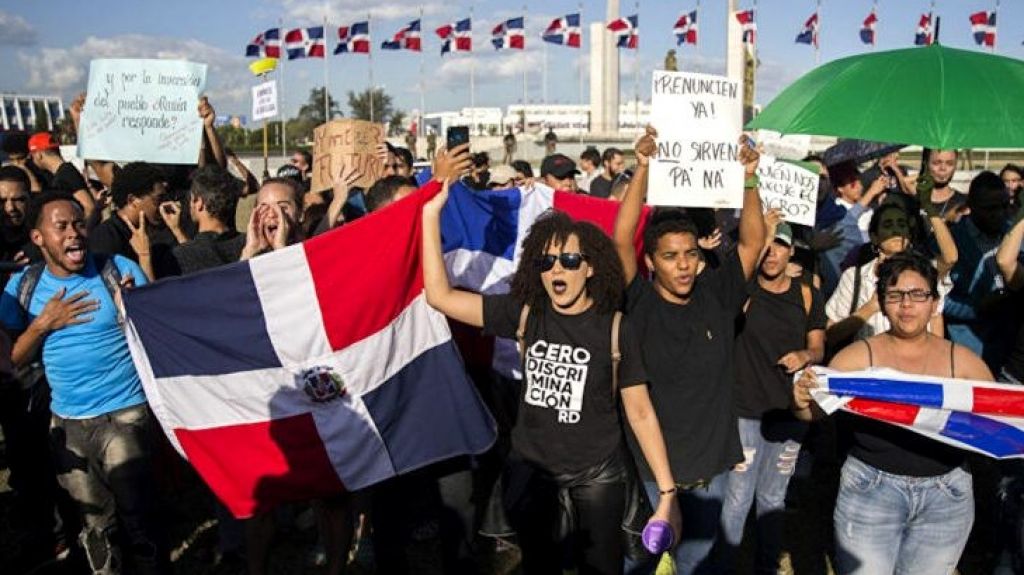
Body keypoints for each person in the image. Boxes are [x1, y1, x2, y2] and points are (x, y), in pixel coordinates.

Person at [422, 178, 680, 574]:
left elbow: (640, 411)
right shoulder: (525, 313)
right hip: (533, 472)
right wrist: (429, 215)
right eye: (547, 261)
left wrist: (667, 493)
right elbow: (440, 297)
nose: (557, 268)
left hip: (598, 474)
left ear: (591, 267)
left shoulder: (615, 327)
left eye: (570, 260)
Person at [616, 127, 766, 574]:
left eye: (689, 254)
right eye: (669, 256)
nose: (682, 264)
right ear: (650, 262)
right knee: (642, 562)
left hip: (707, 470)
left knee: (696, 560)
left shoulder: (717, 296)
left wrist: (750, 178)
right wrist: (643, 167)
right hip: (648, 469)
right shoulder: (638, 302)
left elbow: (753, 243)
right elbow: (621, 239)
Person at [794, 252, 994, 575]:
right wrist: (801, 400)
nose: (906, 304)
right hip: (870, 491)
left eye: (918, 294)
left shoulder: (965, 362)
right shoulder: (856, 359)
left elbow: (999, 419)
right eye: (895, 295)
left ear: (934, 302)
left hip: (946, 499)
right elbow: (813, 413)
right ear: (882, 303)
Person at [0, 191, 167, 574]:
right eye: (61, 227)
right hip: (68, 423)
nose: (74, 233)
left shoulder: (118, 270)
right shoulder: (22, 287)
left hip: (125, 415)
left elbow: (159, 333)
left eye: (79, 224)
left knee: (140, 519)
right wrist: (43, 323)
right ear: (38, 238)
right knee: (95, 525)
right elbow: (8, 360)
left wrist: (134, 307)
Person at [719, 218, 826, 574]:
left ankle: (767, 567)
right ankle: (725, 566)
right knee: (738, 498)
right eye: (767, 244)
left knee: (773, 497)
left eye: (780, 244)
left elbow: (818, 346)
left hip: (790, 413)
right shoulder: (744, 291)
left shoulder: (807, 293)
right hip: (744, 410)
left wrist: (805, 355)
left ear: (792, 251)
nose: (772, 253)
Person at [826, 178, 958, 346]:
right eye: (888, 225)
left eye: (901, 224)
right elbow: (831, 335)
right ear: (874, 237)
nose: (896, 230)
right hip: (870, 360)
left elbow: (950, 257)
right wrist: (870, 308)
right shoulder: (855, 277)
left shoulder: (924, 271)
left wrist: (928, 207)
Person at [944, 171, 1016, 369]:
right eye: (990, 208)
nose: (999, 213)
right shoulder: (950, 241)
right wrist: (975, 308)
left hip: (1011, 349)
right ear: (972, 206)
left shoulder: (1015, 235)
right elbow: (936, 298)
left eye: (1004, 206)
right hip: (968, 348)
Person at [90, 162, 183, 280]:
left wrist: (177, 231)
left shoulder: (161, 232)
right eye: (158, 199)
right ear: (132, 200)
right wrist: (144, 256)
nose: (163, 205)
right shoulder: (105, 238)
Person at [169, 165, 245, 276]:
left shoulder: (179, 257)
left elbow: (195, 254)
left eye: (191, 199)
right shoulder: (249, 245)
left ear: (199, 202)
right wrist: (177, 230)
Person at [27, 132, 96, 222]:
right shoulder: (63, 172)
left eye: (32, 157)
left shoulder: (66, 173)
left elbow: (89, 207)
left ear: (38, 155)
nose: (32, 161)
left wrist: (80, 227)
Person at [923, 150, 967, 223]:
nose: (943, 168)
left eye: (950, 163)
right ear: (926, 164)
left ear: (955, 166)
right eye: (936, 163)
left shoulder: (964, 204)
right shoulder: (912, 200)